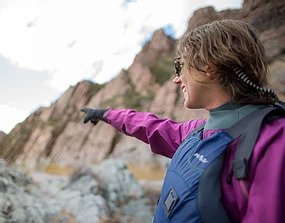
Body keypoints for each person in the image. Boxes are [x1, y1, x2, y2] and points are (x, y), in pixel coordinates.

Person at [81, 19, 285, 223]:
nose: (176, 79)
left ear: (207, 66)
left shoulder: (274, 141)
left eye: (179, 67)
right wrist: (105, 114)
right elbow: (150, 126)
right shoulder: (199, 132)